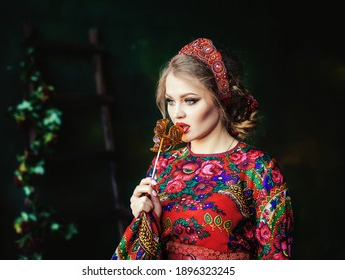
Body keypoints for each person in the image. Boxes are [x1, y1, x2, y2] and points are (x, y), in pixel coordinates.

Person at [112, 37, 294, 260]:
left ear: (220, 98)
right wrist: (147, 221)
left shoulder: (258, 168)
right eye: (170, 101)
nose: (177, 113)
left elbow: (276, 260)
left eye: (190, 100)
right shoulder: (163, 164)